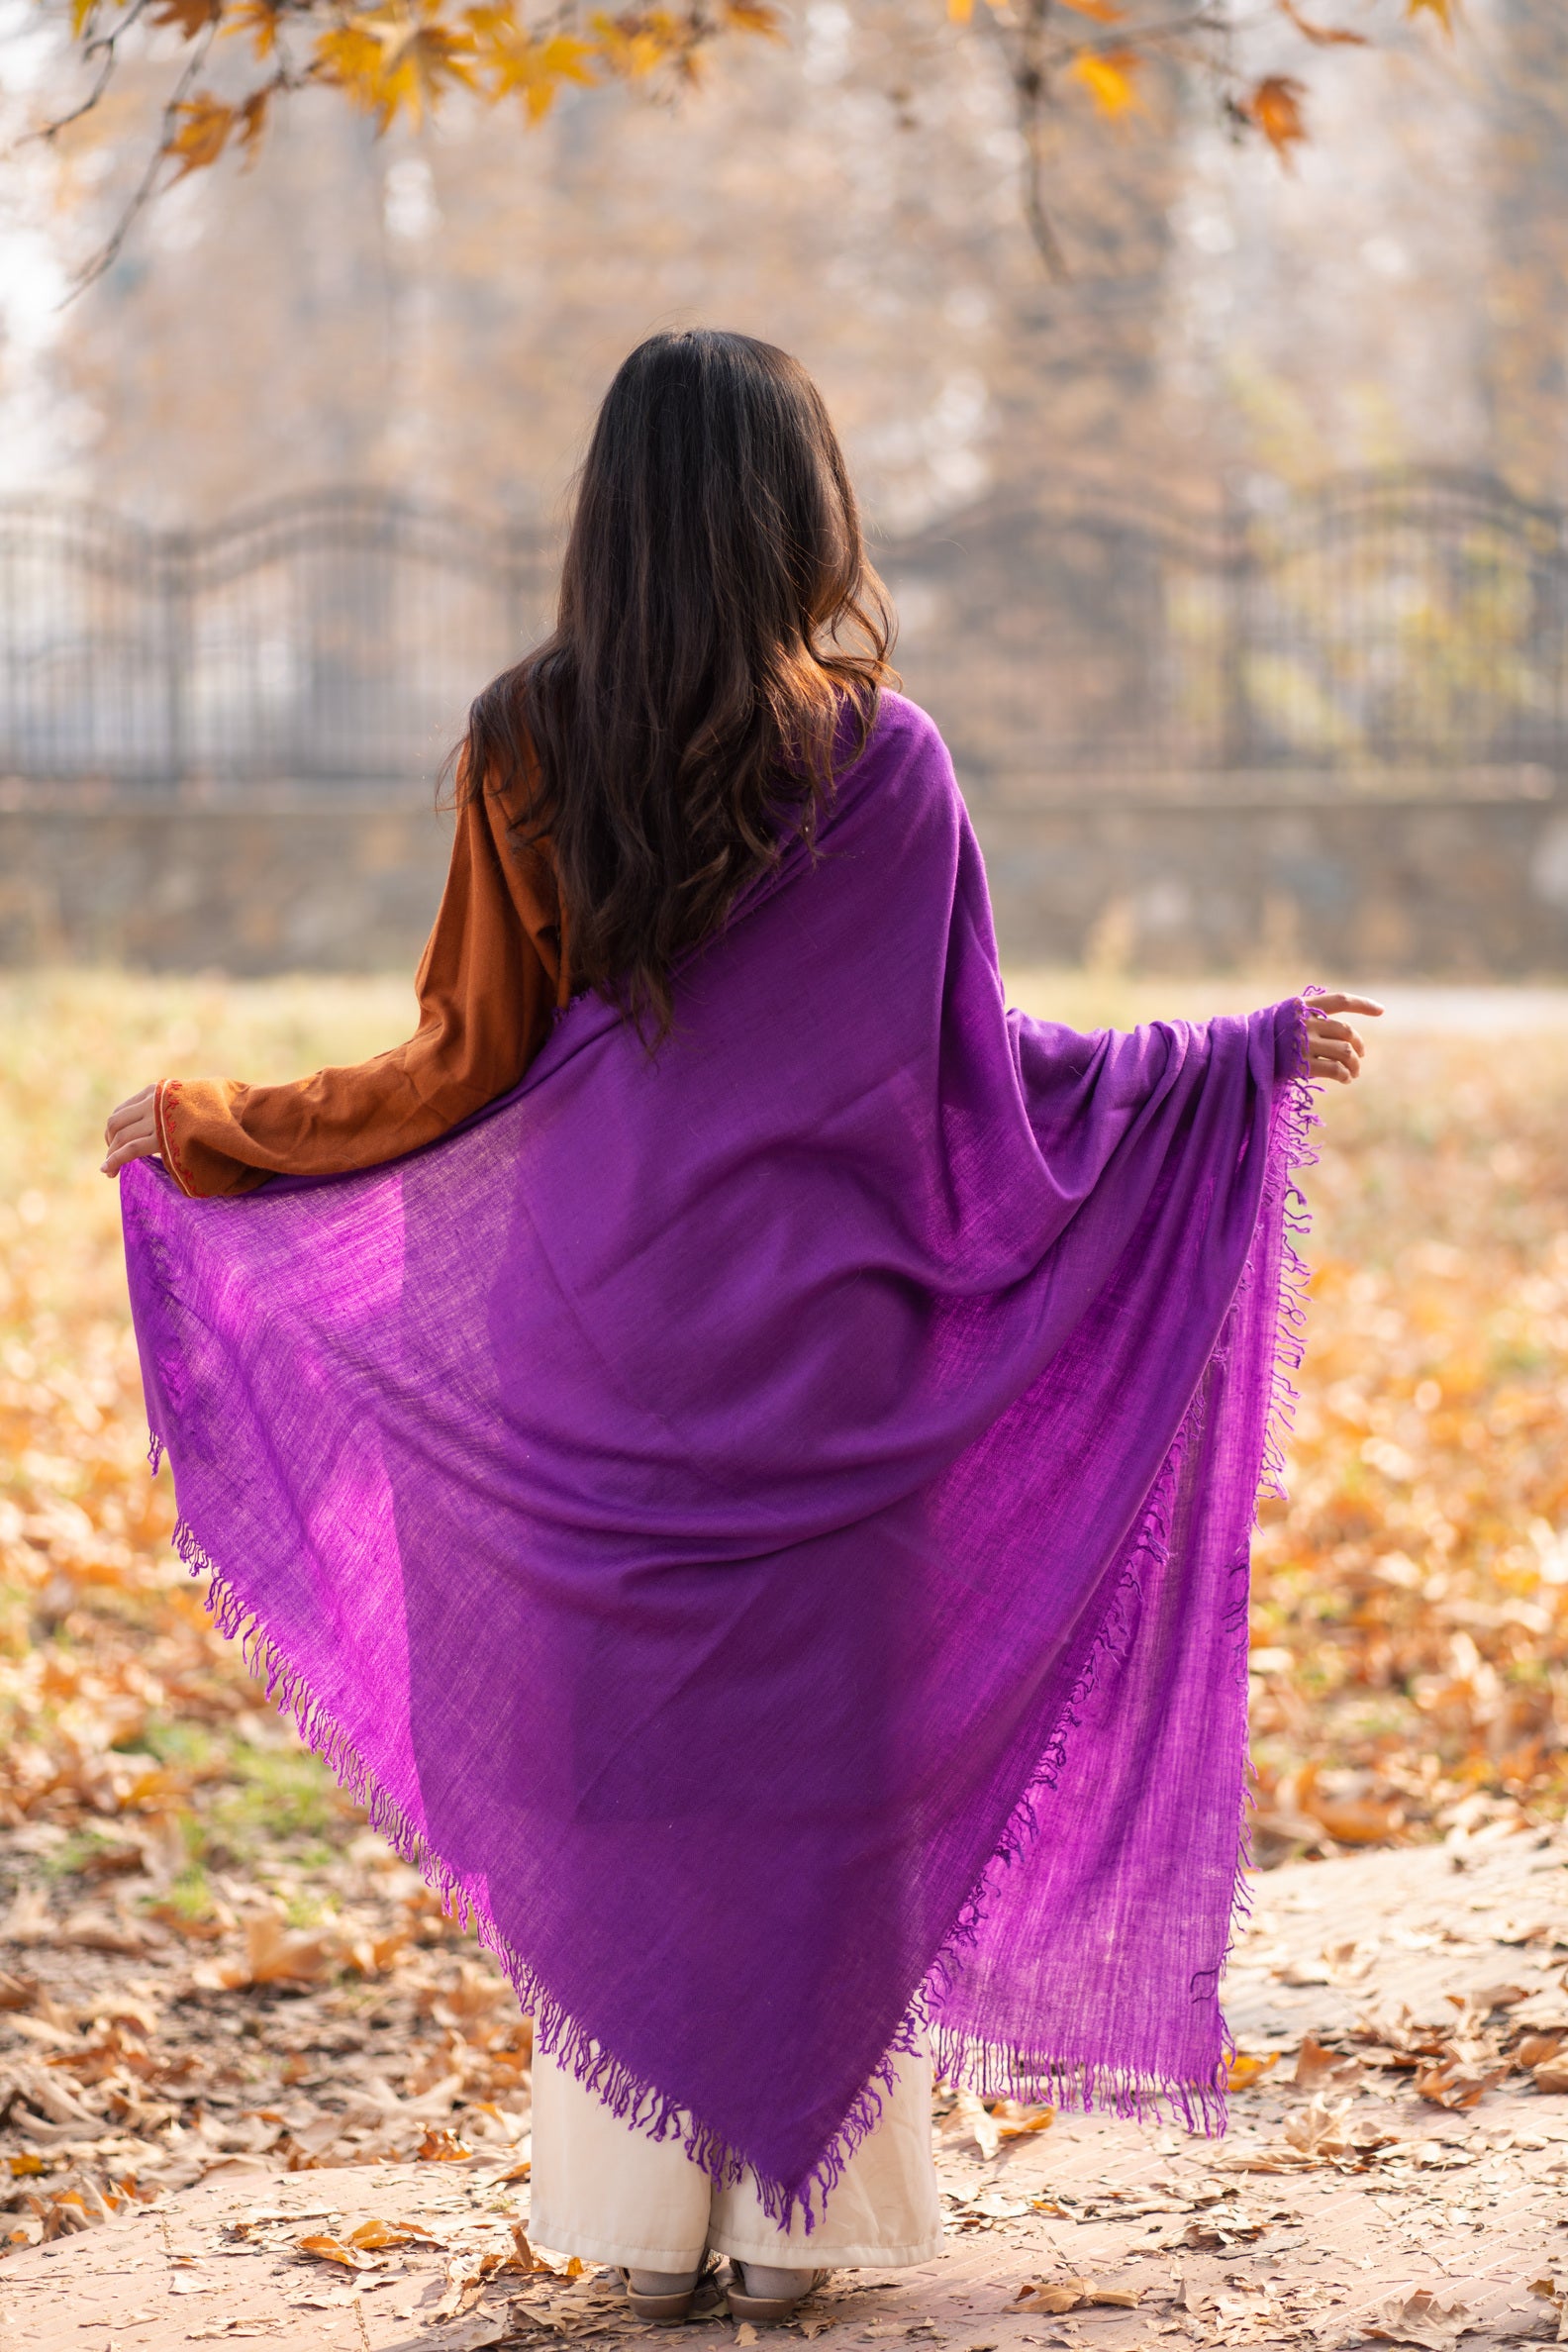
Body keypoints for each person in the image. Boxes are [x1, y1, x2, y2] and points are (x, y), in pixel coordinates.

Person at [105, 330, 1378, 2326]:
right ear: (804, 512)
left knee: (619, 1785)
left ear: (610, 516)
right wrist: (1222, 1061)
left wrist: (219, 1131)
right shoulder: (889, 759)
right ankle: (808, 2233)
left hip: (586, 1362)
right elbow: (979, 1076)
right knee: (815, 1781)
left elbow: (455, 1066)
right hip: (830, 1370)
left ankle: (632, 2226)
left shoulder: (527, 739)